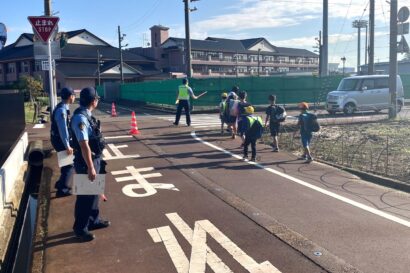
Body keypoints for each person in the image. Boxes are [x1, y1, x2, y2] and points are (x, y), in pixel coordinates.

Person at [71, 87, 110, 241]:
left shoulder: (87, 115)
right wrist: (91, 167)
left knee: (94, 193)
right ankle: (80, 228)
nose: (98, 101)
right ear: (93, 101)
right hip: (86, 161)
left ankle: (93, 221)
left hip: (94, 158)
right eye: (97, 99)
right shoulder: (80, 118)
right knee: (85, 197)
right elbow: (83, 144)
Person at [50, 87, 76, 197]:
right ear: (70, 96)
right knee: (69, 165)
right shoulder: (62, 110)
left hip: (57, 139)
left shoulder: (63, 107)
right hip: (60, 141)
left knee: (67, 164)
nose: (74, 97)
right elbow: (63, 130)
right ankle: (63, 190)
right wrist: (67, 146)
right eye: (74, 95)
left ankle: (60, 184)